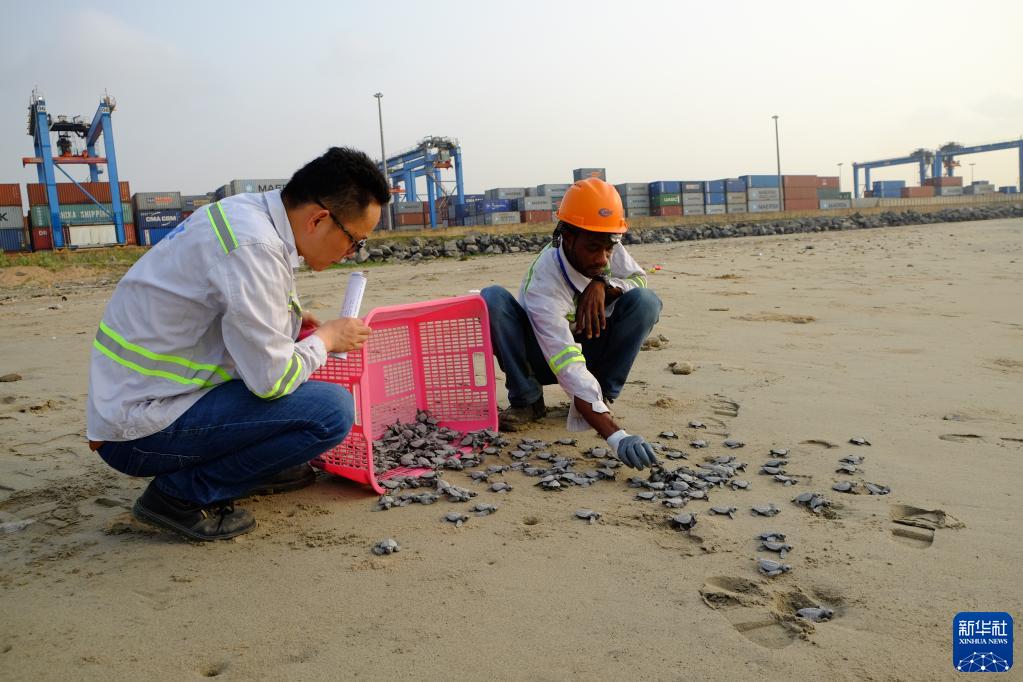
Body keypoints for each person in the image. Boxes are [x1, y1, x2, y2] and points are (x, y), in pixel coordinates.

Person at [87, 147, 391, 541]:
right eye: (355, 241)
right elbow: (272, 381)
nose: (352, 254)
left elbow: (236, 313)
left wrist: (295, 322)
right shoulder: (255, 248)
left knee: (307, 395)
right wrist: (326, 339)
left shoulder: (248, 214)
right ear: (319, 219)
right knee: (331, 412)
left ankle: (259, 467)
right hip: (138, 430)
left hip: (132, 400)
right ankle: (176, 497)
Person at [481, 178, 662, 470]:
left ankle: (601, 394)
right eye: (593, 248)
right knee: (492, 299)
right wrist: (615, 436)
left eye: (608, 249)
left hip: (590, 343)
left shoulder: (605, 245)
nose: (602, 258)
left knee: (646, 301)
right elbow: (565, 359)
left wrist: (604, 284)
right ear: (566, 237)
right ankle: (528, 400)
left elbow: (639, 278)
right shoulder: (544, 282)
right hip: (542, 355)